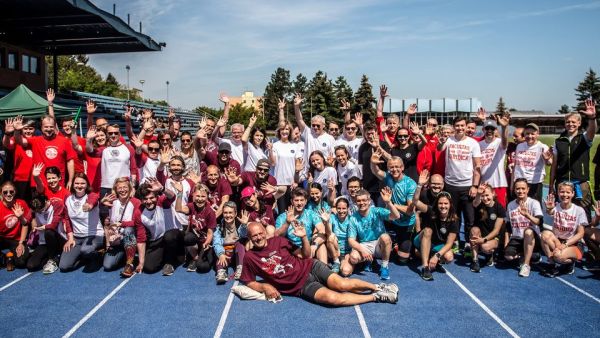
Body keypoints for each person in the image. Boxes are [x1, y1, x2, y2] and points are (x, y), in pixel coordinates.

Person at [240, 222, 399, 306]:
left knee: (342, 284)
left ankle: (379, 287)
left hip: (310, 266)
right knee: (334, 299)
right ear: (249, 237)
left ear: (265, 232)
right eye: (254, 236)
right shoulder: (249, 257)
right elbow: (248, 281)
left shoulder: (279, 240)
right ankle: (376, 297)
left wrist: (303, 238)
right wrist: (264, 287)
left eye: (261, 233)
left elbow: (305, 255)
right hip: (300, 287)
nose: (259, 237)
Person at [437, 116, 481, 250]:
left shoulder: (473, 143)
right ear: (454, 126)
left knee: (469, 217)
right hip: (450, 184)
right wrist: (441, 142)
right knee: (453, 216)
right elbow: (439, 149)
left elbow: (477, 166)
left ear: (466, 126)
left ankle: (468, 242)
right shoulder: (449, 140)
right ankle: (454, 240)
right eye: (457, 125)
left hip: (467, 185)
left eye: (462, 125)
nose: (460, 128)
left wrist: (475, 185)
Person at [551, 98, 596, 221]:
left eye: (573, 122)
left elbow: (592, 131)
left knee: (584, 217)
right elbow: (554, 165)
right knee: (564, 216)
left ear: (579, 123)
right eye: (568, 122)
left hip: (581, 184)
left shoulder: (584, 138)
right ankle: (565, 239)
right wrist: (550, 186)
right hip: (562, 183)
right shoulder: (558, 141)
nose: (570, 124)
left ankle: (584, 239)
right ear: (565, 123)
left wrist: (592, 118)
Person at [341, 187, 401, 280]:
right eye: (359, 201)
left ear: (369, 201)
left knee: (385, 237)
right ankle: (368, 260)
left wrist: (389, 202)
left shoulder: (376, 211)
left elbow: (396, 216)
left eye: (364, 200)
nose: (362, 203)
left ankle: (384, 266)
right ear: (356, 203)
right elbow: (351, 240)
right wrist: (362, 250)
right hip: (365, 245)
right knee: (353, 258)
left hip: (379, 244)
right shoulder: (353, 218)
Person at [410, 171, 458, 281]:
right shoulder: (431, 210)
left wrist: (436, 256)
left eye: (446, 204)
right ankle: (425, 267)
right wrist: (419, 185)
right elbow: (415, 201)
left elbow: (450, 243)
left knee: (449, 257)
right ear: (437, 204)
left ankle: (429, 255)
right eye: (440, 203)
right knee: (427, 230)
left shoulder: (454, 219)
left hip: (437, 243)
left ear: (450, 205)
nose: (443, 206)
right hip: (423, 237)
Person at [370, 152, 417, 264]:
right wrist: (372, 162)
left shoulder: (410, 184)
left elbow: (411, 211)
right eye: (391, 167)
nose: (394, 169)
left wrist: (390, 203)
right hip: (392, 220)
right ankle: (393, 242)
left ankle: (402, 244)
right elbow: (376, 171)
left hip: (407, 223)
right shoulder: (388, 177)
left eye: (397, 167)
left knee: (402, 260)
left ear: (402, 167)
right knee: (382, 253)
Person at [13, 115, 76, 189]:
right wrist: (17, 131)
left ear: (55, 127)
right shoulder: (35, 140)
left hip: (58, 184)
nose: (49, 129)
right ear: (41, 128)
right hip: (38, 184)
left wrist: (71, 180)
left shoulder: (64, 141)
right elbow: (20, 141)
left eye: (51, 127)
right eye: (46, 127)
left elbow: (70, 161)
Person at [60, 173, 105, 272]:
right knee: (64, 266)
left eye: (82, 183)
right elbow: (67, 220)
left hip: (94, 235)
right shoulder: (68, 199)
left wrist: (88, 206)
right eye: (76, 183)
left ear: (87, 184)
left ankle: (99, 255)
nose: (79, 186)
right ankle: (82, 257)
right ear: (73, 184)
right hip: (77, 238)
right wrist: (70, 238)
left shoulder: (91, 196)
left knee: (86, 249)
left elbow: (93, 200)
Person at [541, 182, 587, 277]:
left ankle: (570, 263)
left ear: (573, 194)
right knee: (544, 234)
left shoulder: (579, 211)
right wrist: (549, 209)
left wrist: (565, 244)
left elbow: (580, 234)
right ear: (558, 193)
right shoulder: (556, 206)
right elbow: (550, 212)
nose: (565, 195)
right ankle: (552, 264)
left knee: (558, 256)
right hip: (558, 240)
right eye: (562, 192)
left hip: (574, 243)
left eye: (568, 192)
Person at [101, 177, 143, 277]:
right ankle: (125, 254)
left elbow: (137, 223)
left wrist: (122, 224)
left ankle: (129, 264)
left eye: (125, 187)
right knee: (107, 266)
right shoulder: (112, 201)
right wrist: (102, 203)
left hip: (130, 236)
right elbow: (106, 222)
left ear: (129, 188)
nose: (122, 190)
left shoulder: (136, 202)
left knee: (128, 230)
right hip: (116, 239)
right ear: (116, 189)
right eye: (119, 188)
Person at [133, 178, 177, 274]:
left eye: (151, 198)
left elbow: (172, 197)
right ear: (141, 199)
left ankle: (170, 262)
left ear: (156, 197)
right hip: (157, 240)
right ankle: (164, 256)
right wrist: (141, 263)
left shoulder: (161, 202)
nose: (149, 201)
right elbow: (141, 239)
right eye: (145, 199)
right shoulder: (138, 213)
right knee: (149, 268)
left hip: (172, 235)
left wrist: (162, 189)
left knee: (169, 236)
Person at [504, 178, 544, 278]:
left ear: (528, 189)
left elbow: (538, 222)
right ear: (514, 190)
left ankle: (526, 264)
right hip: (517, 238)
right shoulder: (511, 205)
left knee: (528, 231)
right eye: (518, 189)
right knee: (508, 257)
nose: (520, 191)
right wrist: (506, 244)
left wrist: (527, 215)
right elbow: (508, 227)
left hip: (532, 237)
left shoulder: (534, 203)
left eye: (523, 188)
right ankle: (527, 255)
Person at [275, 188, 327, 263]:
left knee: (321, 245)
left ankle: (324, 271)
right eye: (296, 200)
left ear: (306, 201)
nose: (299, 203)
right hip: (292, 249)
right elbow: (276, 236)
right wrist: (287, 222)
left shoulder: (311, 214)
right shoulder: (282, 217)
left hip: (308, 246)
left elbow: (322, 231)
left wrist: (314, 244)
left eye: (302, 200)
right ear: (292, 202)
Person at [174, 183, 216, 273]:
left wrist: (206, 243)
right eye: (197, 196)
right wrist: (180, 193)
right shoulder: (191, 206)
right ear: (193, 195)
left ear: (207, 197)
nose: (200, 199)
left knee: (203, 267)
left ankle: (205, 257)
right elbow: (178, 209)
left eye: (203, 196)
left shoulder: (210, 212)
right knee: (188, 237)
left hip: (206, 242)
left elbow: (210, 233)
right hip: (195, 241)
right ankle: (195, 258)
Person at [513, 123, 552, 206]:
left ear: (537, 134)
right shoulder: (519, 146)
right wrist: (512, 182)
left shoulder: (542, 147)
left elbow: (549, 163)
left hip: (535, 183)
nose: (530, 136)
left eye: (532, 134)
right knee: (519, 206)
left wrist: (547, 159)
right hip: (519, 182)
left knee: (535, 207)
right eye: (527, 133)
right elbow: (516, 165)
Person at [469, 183, 506, 272]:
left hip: (494, 237)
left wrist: (484, 240)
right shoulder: (480, 205)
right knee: (474, 230)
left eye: (487, 195)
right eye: (483, 196)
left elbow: (496, 230)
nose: (485, 198)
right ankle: (475, 260)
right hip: (482, 235)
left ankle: (490, 254)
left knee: (485, 247)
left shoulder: (499, 208)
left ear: (493, 193)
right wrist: (478, 193)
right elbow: (475, 202)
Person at [27, 194, 67, 274]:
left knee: (49, 231)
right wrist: (21, 217)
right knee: (31, 266)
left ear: (46, 201)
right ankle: (51, 258)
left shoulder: (57, 205)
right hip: (44, 242)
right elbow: (26, 221)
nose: (39, 212)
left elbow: (53, 225)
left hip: (58, 238)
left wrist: (43, 227)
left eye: (41, 209)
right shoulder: (35, 209)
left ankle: (53, 259)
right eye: (37, 211)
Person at [271, 120, 303, 212]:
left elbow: (297, 165)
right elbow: (273, 163)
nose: (285, 131)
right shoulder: (275, 145)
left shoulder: (294, 146)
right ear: (279, 131)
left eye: (287, 129)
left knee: (292, 211)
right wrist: (270, 150)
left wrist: (296, 181)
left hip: (292, 185)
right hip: (279, 184)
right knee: (281, 211)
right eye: (282, 129)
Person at [213, 202, 249, 284]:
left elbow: (244, 235)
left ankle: (240, 268)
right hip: (226, 255)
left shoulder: (239, 224)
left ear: (235, 213)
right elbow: (216, 243)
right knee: (219, 252)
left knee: (240, 244)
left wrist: (244, 225)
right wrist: (221, 254)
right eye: (225, 213)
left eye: (230, 212)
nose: (228, 215)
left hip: (237, 255)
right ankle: (221, 271)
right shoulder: (219, 227)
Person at [478, 115, 510, 208]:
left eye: (492, 129)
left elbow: (504, 143)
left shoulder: (499, 142)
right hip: (484, 184)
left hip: (499, 183)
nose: (489, 131)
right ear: (483, 130)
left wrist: (504, 127)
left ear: (496, 130)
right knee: (485, 211)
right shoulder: (478, 145)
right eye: (487, 129)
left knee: (500, 209)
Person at [0, 181, 31, 271]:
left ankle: (11, 259)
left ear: (15, 192)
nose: (9, 194)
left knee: (21, 262)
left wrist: (21, 243)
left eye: (11, 192)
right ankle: (6, 258)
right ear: (1, 193)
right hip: (2, 237)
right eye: (5, 192)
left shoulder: (21, 203)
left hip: (16, 239)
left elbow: (25, 225)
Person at [293, 93, 336, 158]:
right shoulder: (308, 133)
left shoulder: (330, 138)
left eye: (318, 125)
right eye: (313, 125)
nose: (315, 127)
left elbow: (332, 157)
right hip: (308, 168)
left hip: (323, 168)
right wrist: (296, 106)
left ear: (323, 125)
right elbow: (299, 120)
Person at [2, 117, 35, 200]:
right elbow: (7, 144)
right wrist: (6, 134)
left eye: (31, 129)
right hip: (20, 179)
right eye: (26, 129)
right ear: (21, 129)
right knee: (21, 203)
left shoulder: (37, 140)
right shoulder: (16, 139)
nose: (28, 131)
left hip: (35, 179)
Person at [318, 197, 352, 273]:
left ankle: (344, 263)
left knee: (345, 272)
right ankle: (336, 261)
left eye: (344, 208)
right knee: (331, 236)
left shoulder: (351, 219)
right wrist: (326, 222)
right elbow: (328, 233)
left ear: (348, 209)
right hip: (335, 250)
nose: (341, 211)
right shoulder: (332, 217)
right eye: (339, 208)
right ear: (336, 209)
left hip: (347, 252)